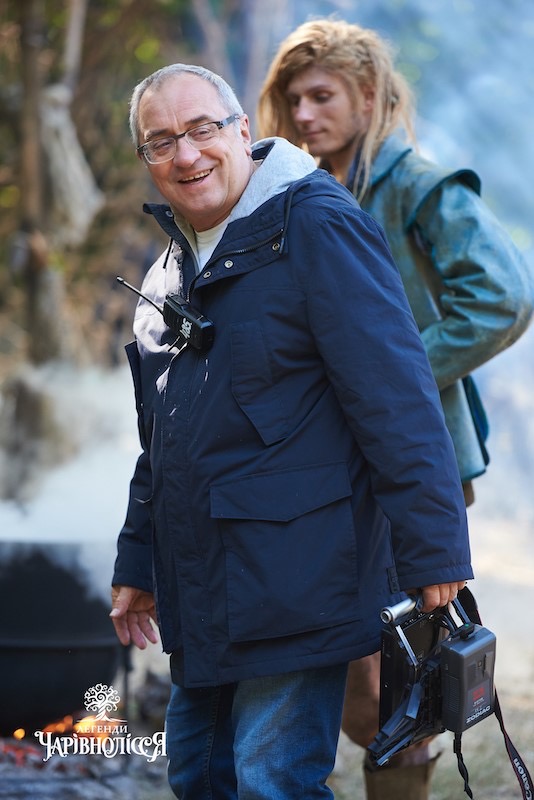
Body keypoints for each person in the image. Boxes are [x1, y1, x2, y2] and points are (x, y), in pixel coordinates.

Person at [110, 62, 473, 800]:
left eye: (202, 129)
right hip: (203, 583)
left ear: (242, 130)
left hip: (298, 575)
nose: (186, 155)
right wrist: (139, 559)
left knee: (271, 782)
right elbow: (164, 440)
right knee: (198, 777)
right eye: (161, 141)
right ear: (146, 158)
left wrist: (434, 548)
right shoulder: (169, 269)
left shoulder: (316, 225)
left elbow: (396, 399)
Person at [257, 17, 534, 800]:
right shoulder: (302, 190)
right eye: (293, 99)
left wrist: (389, 375)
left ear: (369, 95)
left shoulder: (417, 185)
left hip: (409, 464)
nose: (303, 114)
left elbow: (503, 296)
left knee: (397, 683)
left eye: (322, 96)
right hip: (323, 464)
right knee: (350, 674)